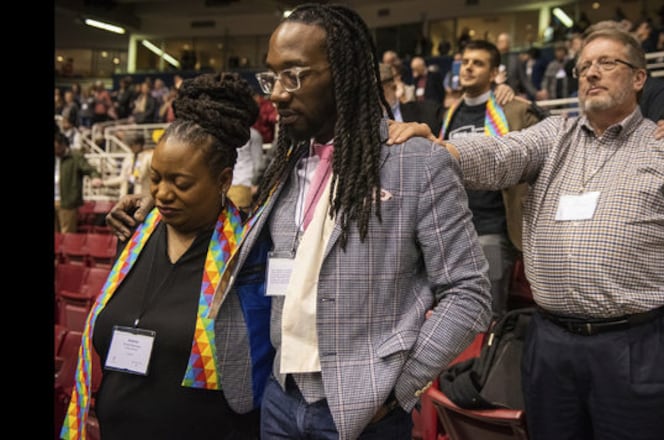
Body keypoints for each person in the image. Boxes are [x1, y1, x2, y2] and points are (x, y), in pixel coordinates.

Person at [105, 4, 492, 440]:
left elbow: (469, 293)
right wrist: (152, 209)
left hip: (362, 412)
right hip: (279, 402)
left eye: (294, 75)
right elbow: (231, 233)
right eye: (271, 78)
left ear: (345, 73)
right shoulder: (286, 165)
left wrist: (396, 390)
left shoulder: (416, 162)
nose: (277, 94)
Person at [388, 25, 664, 439]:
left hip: (639, 345)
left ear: (639, 77)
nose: (591, 72)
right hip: (550, 345)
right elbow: (501, 152)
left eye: (607, 62)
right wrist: (442, 150)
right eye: (584, 65)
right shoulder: (554, 136)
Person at [60, 73, 264, 440]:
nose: (163, 193)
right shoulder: (134, 233)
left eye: (180, 183)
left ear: (223, 180)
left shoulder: (247, 252)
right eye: (156, 179)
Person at [438, 39, 542, 316]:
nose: (469, 68)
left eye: (478, 63)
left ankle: (489, 360)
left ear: (494, 72)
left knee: (489, 312)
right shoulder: (450, 113)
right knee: (453, 312)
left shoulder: (513, 110)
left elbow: (550, 141)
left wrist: (519, 97)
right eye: (466, 62)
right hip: (453, 229)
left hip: (492, 228)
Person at [55, 131, 102, 233]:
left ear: (62, 144)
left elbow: (90, 169)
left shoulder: (75, 156)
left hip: (67, 201)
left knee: (67, 234)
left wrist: (95, 177)